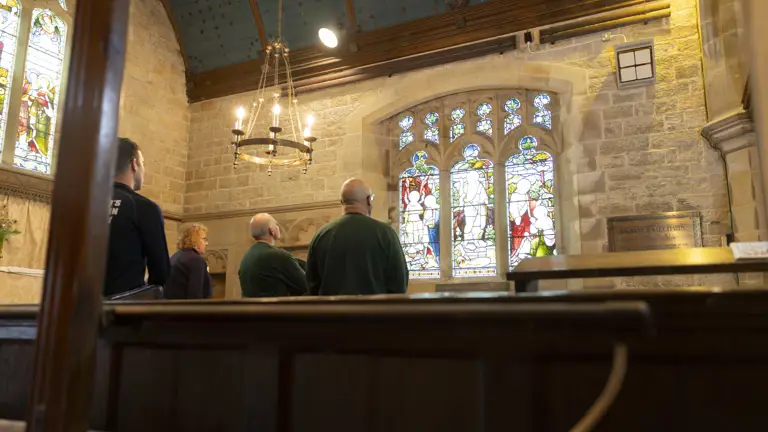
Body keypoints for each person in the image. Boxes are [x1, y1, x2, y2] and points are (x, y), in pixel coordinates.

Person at [306, 178, 408, 296]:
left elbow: (312, 286)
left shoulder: (321, 235)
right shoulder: (385, 233)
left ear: (342, 202)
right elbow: (399, 283)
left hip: (332, 313)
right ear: (369, 200)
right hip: (375, 312)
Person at [104, 138, 170, 297]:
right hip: (123, 313)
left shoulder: (84, 203)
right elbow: (161, 274)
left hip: (79, 310)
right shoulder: (144, 207)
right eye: (143, 163)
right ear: (134, 164)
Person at [238, 213, 307, 297]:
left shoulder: (247, 256)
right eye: (276, 224)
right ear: (272, 230)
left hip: (249, 309)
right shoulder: (278, 256)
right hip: (274, 309)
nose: (278, 227)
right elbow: (306, 286)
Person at [164, 223, 212, 300]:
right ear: (194, 239)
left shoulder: (175, 256)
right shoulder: (196, 260)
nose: (206, 243)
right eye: (204, 239)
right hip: (185, 310)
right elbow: (195, 296)